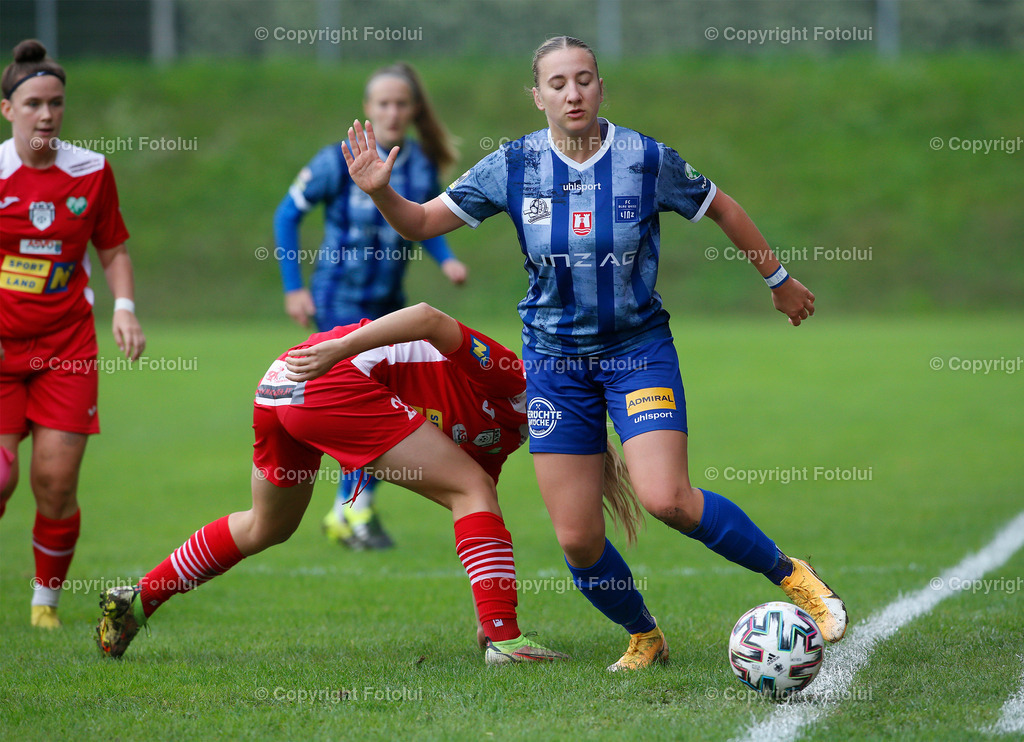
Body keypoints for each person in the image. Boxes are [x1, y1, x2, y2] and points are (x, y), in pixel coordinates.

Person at [338, 36, 849, 671]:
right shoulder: (511, 166)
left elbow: (724, 209)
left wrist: (779, 281)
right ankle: (645, 636)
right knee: (578, 540)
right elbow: (418, 223)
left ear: (601, 87)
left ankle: (793, 575)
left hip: (637, 352)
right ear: (538, 96)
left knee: (667, 498)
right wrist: (381, 193)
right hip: (554, 366)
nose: (572, 93)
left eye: (583, 80)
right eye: (557, 83)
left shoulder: (645, 158)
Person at [96, 302, 584, 664]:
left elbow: (479, 512)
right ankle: (506, 640)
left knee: (265, 525)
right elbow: (429, 318)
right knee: (471, 489)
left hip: (282, 382)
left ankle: (137, 600)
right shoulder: (516, 381)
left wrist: (486, 606)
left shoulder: (515, 435)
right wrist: (343, 348)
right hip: (327, 371)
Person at [274, 62, 468, 551]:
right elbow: (286, 215)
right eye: (383, 103)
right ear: (368, 108)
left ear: (414, 109)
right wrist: (295, 287)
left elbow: (420, 221)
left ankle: (352, 509)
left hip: (389, 305)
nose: (392, 111)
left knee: (386, 404)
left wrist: (445, 259)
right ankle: (352, 510)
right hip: (339, 299)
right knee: (363, 406)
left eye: (401, 103)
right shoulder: (336, 160)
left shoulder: (419, 163)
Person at [0, 39, 145, 628]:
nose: (47, 115)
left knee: (54, 483)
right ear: (8, 109)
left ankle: (45, 603)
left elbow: (113, 249)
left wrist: (125, 307)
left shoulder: (91, 170)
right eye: (33, 103)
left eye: (56, 103)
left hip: (67, 351)